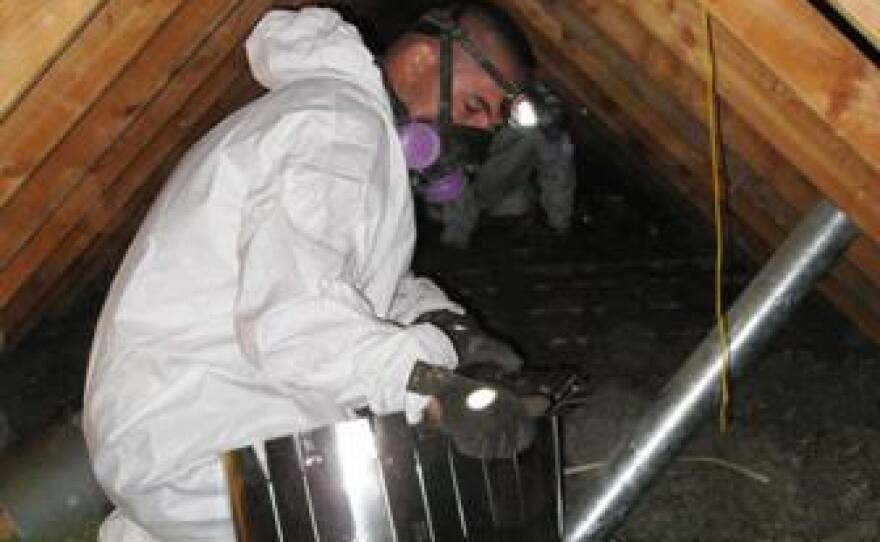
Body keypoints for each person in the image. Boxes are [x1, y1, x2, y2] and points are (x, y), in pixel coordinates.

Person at [83, 3, 534, 541]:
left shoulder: (333, 120)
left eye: (493, 121)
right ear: (416, 64)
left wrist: (455, 333)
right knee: (377, 506)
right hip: (210, 433)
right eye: (474, 105)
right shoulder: (337, 131)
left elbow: (360, 291)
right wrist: (435, 387)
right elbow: (296, 318)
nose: (480, 133)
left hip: (179, 416)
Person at [433, 83, 577, 249]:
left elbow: (556, 167)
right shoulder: (448, 94)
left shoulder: (532, 110)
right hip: (442, 204)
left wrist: (559, 225)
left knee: (518, 203)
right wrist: (456, 236)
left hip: (498, 197)